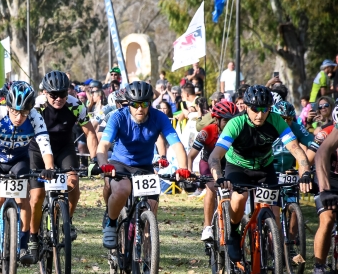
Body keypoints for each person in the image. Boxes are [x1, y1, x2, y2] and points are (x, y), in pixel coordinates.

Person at [208, 85, 312, 263]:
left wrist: (305, 173)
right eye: (255, 109)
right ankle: (233, 232)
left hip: (265, 167)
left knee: (270, 209)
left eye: (265, 109)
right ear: (246, 107)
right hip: (238, 166)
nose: (260, 114)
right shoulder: (236, 123)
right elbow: (215, 157)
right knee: (239, 198)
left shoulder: (276, 120)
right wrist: (219, 177)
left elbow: (296, 149)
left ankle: (271, 255)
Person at [0, 81, 55, 272]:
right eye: (15, 111)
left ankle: (22, 246)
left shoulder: (35, 117)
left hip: (19, 161)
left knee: (24, 200)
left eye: (23, 112)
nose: (18, 117)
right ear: (8, 106)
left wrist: (49, 167)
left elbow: (44, 145)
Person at [97, 81, 191, 249]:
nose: (140, 108)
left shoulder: (159, 117)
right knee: (122, 190)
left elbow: (176, 145)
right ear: (129, 103)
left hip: (145, 166)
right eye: (135, 104)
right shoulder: (118, 117)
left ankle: (147, 252)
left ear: (150, 103)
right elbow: (103, 146)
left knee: (152, 206)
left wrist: (183, 168)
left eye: (144, 104)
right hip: (120, 163)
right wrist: (104, 164)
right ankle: (111, 224)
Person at [28, 71, 99, 259]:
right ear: (44, 92)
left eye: (63, 94)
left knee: (73, 183)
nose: (59, 98)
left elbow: (90, 133)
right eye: (54, 95)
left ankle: (66, 221)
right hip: (37, 150)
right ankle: (33, 237)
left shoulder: (76, 105)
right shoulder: (36, 106)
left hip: (63, 148)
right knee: (36, 197)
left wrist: (96, 159)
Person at [188, 100, 239, 241]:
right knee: (211, 187)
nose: (230, 124)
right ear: (217, 120)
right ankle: (207, 227)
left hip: (228, 163)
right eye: (226, 121)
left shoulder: (238, 130)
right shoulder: (206, 132)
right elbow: (191, 156)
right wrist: (189, 172)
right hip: (208, 162)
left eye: (233, 120)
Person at [310, 114, 338, 274]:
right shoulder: (329, 133)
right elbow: (319, 155)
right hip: (329, 177)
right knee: (327, 218)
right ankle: (318, 268)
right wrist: (325, 190)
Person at [271, 101, 316, 174]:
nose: (285, 122)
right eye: (282, 118)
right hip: (268, 171)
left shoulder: (296, 127)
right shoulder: (265, 126)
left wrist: (304, 169)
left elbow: (314, 144)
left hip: (289, 171)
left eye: (289, 119)